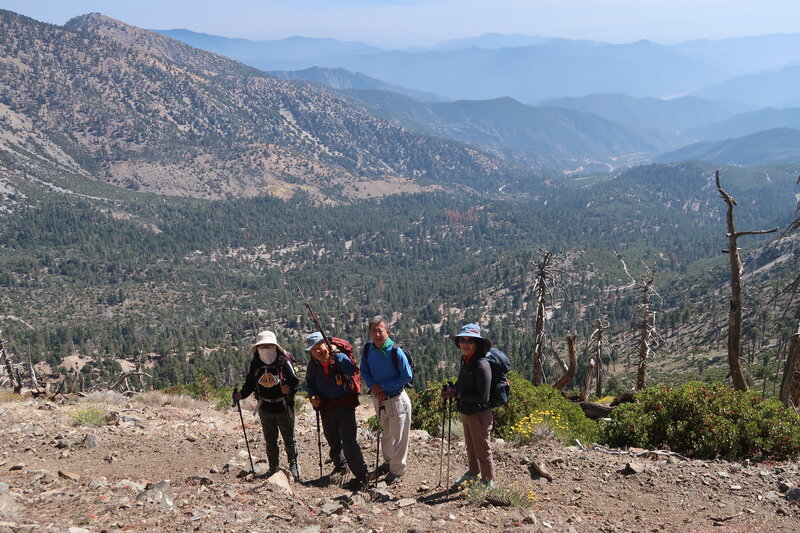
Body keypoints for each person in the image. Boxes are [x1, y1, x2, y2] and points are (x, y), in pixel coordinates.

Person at [304, 331, 371, 490]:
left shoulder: (338, 357)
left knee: (349, 443)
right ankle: (341, 466)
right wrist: (312, 397)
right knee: (332, 439)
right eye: (313, 349)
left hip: (345, 405)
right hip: (326, 407)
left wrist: (338, 354)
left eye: (318, 346)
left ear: (325, 344)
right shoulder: (313, 365)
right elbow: (310, 383)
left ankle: (361, 476)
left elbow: (351, 370)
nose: (317, 351)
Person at [234, 330, 300, 481]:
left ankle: (293, 468)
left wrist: (289, 389)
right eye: (262, 346)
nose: (265, 349)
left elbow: (295, 381)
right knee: (270, 440)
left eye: (269, 346)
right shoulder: (256, 363)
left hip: (284, 406)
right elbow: (250, 383)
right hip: (265, 407)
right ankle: (273, 468)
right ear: (258, 348)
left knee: (289, 438)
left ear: (275, 346)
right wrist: (241, 395)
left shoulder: (284, 361)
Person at [360, 315, 413, 485]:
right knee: (386, 434)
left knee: (399, 436)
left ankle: (397, 470)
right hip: (380, 398)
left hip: (397, 399)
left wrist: (382, 386)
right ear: (369, 332)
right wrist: (375, 387)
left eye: (380, 330)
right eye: (373, 330)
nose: (377, 334)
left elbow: (407, 376)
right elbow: (364, 371)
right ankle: (388, 462)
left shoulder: (395, 351)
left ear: (387, 331)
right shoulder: (368, 349)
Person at [442, 323, 495, 489]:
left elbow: (483, 396)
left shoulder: (481, 365)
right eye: (462, 340)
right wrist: (453, 389)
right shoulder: (466, 360)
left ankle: (488, 481)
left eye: (470, 341)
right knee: (471, 446)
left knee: (482, 448)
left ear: (476, 344)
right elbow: (463, 385)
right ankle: (473, 473)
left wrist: (457, 394)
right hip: (467, 411)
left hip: (479, 414)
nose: (465, 344)